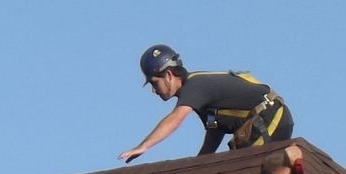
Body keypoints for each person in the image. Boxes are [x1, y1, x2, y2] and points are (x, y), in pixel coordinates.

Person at [119, 45, 293, 162]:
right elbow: (214, 128)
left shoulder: (195, 86)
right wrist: (201, 162)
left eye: (154, 83)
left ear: (169, 75)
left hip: (270, 119)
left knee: (245, 172)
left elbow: (175, 120)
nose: (153, 90)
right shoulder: (197, 95)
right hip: (265, 122)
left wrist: (143, 146)